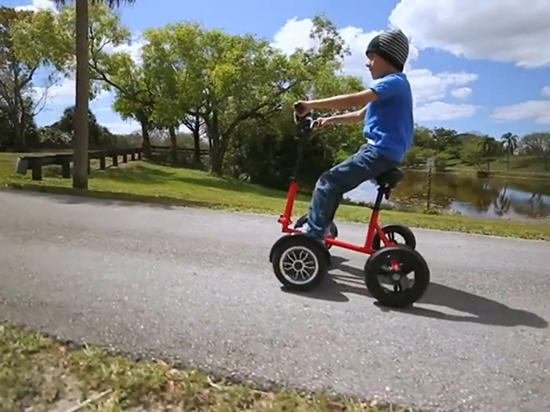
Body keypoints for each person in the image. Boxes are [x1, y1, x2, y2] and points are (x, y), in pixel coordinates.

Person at [294, 28, 413, 240]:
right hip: (385, 153)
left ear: (388, 58)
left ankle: (313, 234)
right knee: (334, 184)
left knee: (328, 182)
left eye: (372, 58)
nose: (368, 64)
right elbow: (359, 114)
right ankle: (322, 225)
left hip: (377, 151)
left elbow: (355, 99)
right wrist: (330, 120)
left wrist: (310, 105)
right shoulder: (394, 89)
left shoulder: (392, 82)